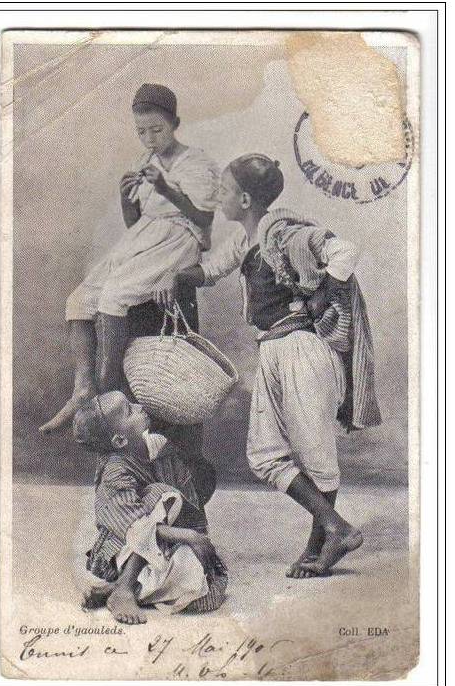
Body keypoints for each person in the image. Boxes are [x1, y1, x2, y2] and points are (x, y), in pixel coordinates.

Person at [156, 153, 381, 578]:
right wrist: (174, 276)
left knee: (316, 456)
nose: (218, 198)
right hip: (274, 351)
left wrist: (322, 293)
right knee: (264, 456)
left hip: (303, 350)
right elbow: (209, 270)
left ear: (243, 198)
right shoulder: (247, 240)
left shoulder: (284, 232)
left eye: (222, 191)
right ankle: (335, 527)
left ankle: (321, 547)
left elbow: (345, 249)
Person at [40, 83, 220, 434]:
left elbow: (204, 220)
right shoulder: (143, 162)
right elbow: (136, 225)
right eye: (142, 132)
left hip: (178, 243)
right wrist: (127, 200)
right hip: (143, 239)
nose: (150, 139)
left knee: (114, 297)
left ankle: (108, 396)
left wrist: (166, 187)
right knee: (79, 300)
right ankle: (84, 387)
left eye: (157, 130)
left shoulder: (197, 163)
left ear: (175, 123)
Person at [73, 390, 227, 624]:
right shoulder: (115, 471)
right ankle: (124, 587)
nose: (138, 406)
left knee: (204, 582)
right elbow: (136, 527)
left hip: (156, 544)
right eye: (129, 410)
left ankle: (120, 589)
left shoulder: (151, 446)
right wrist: (189, 535)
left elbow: (184, 472)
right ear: (120, 440)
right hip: (123, 547)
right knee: (160, 493)